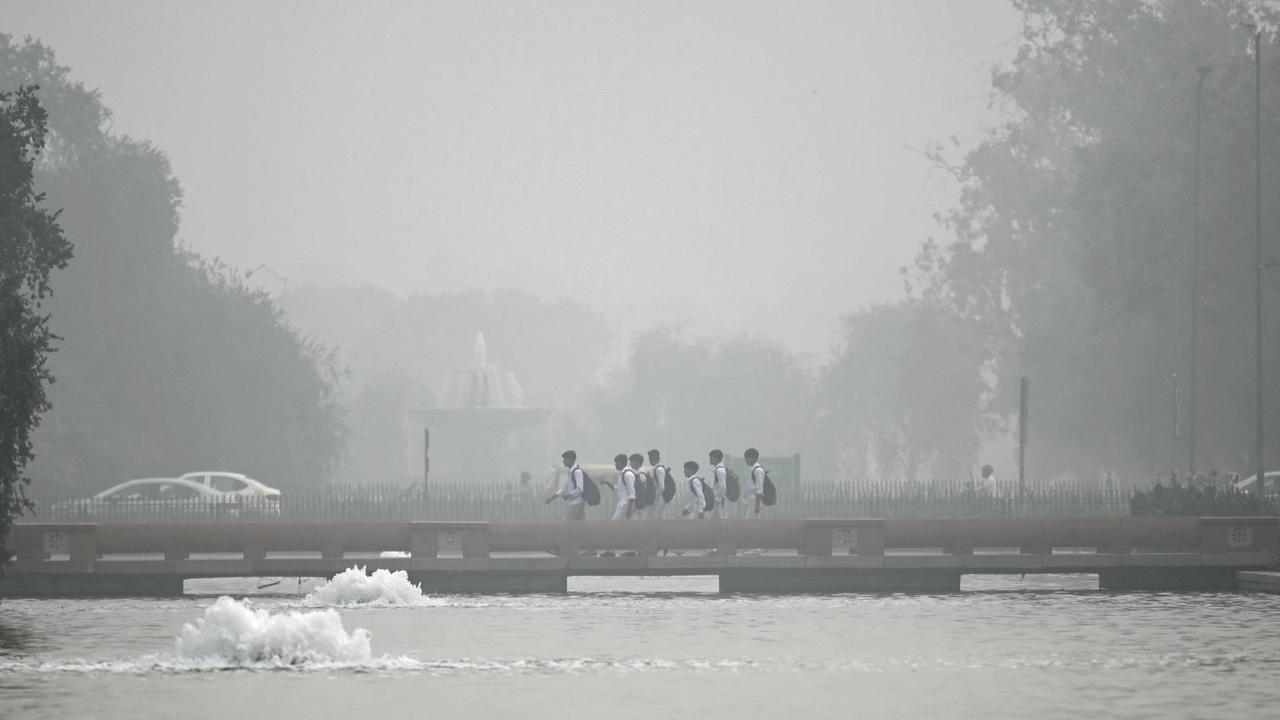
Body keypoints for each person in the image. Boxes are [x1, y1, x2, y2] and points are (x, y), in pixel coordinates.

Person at [545, 450, 586, 521]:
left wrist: (569, 495)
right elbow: (565, 488)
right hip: (575, 503)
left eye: (565, 459)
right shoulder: (571, 472)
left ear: (571, 460)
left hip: (576, 503)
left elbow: (580, 489)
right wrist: (552, 498)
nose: (563, 461)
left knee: (568, 523)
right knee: (581, 524)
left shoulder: (577, 472)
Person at [607, 453, 635, 521]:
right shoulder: (622, 474)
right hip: (622, 504)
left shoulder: (627, 474)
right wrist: (608, 484)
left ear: (621, 463)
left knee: (614, 523)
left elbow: (632, 493)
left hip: (625, 504)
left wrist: (629, 509)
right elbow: (620, 489)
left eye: (617, 463)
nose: (615, 465)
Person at [647, 448, 671, 520]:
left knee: (655, 517)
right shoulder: (655, 469)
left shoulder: (659, 470)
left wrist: (653, 496)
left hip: (660, 497)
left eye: (652, 457)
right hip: (658, 497)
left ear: (657, 458)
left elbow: (661, 487)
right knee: (658, 517)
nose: (650, 460)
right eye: (650, 458)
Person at [742, 448, 765, 518]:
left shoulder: (758, 470)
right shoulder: (754, 470)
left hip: (755, 501)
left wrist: (757, 505)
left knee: (751, 524)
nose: (745, 460)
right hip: (751, 501)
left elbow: (759, 489)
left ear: (752, 458)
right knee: (752, 524)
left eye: (747, 458)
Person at [708, 449, 729, 521]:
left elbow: (723, 487)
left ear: (716, 458)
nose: (709, 459)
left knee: (722, 520)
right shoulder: (719, 469)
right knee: (716, 520)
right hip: (719, 499)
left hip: (720, 500)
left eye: (711, 457)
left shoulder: (719, 470)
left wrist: (718, 498)